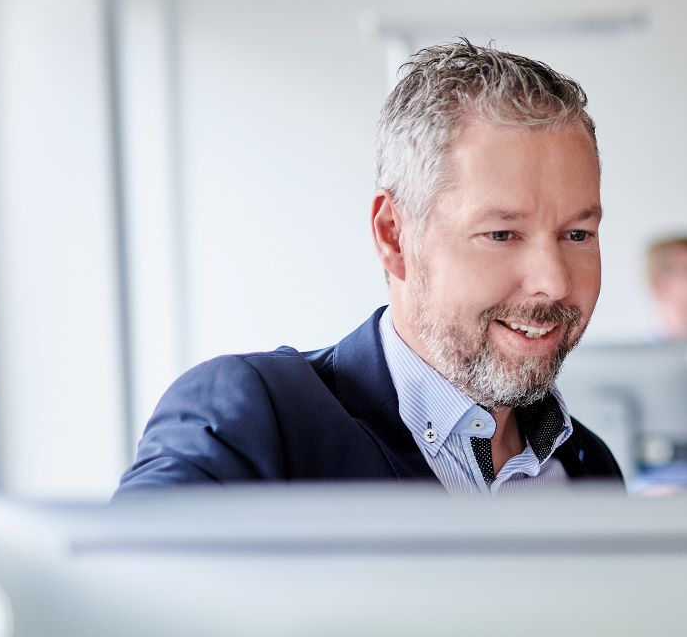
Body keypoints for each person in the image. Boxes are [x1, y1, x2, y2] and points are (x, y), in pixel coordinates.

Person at [119, 40, 623, 492]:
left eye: (577, 234)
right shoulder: (253, 419)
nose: (554, 282)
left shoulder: (588, 466)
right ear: (394, 236)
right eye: (501, 234)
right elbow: (113, 587)